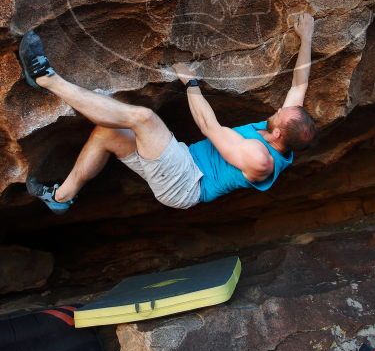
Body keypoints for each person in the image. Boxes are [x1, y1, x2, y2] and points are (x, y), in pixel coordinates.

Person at [19, 13, 318, 214]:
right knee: (107, 133)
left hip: (186, 182)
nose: (278, 109)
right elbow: (299, 84)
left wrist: (191, 83)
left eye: (280, 114)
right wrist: (307, 36)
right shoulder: (285, 129)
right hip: (182, 161)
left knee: (144, 119)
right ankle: (60, 198)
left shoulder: (260, 159)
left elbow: (208, 126)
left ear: (279, 134)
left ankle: (45, 78)